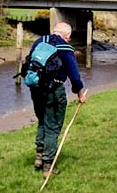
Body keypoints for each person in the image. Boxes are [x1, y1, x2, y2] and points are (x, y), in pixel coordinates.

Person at [27, 22, 87, 178]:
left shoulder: (39, 42)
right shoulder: (66, 48)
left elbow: (28, 63)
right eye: (69, 37)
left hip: (36, 90)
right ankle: (48, 165)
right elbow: (74, 76)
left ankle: (39, 157)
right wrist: (80, 94)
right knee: (52, 126)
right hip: (55, 91)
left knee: (42, 121)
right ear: (67, 36)